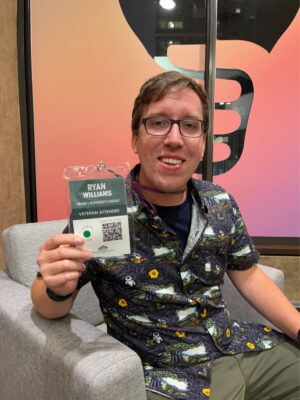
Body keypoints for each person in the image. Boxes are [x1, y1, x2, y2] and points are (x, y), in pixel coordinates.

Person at [31, 71, 300, 400]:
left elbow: (249, 276)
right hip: (171, 378)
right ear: (135, 137)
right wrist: (56, 287)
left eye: (190, 125)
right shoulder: (103, 209)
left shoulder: (219, 202)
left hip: (240, 347)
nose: (174, 138)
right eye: (158, 122)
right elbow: (49, 306)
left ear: (202, 144)